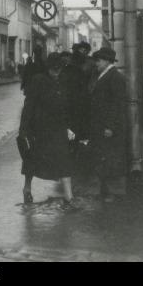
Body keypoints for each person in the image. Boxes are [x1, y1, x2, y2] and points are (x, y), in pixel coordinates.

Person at [18, 53, 79, 210]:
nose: (56, 72)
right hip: (39, 129)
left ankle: (69, 198)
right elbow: (29, 105)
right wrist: (23, 130)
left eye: (58, 69)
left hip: (58, 128)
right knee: (32, 159)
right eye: (53, 69)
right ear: (48, 68)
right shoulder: (38, 80)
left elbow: (67, 106)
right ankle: (27, 188)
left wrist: (69, 127)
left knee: (64, 160)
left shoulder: (63, 80)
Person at [88, 47, 128, 203]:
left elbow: (117, 104)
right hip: (101, 126)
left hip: (109, 128)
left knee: (110, 158)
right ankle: (105, 191)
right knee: (103, 157)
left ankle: (112, 193)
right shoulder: (103, 75)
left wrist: (110, 126)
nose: (95, 63)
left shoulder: (115, 77)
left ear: (106, 61)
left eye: (98, 60)